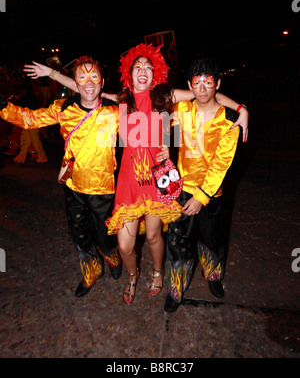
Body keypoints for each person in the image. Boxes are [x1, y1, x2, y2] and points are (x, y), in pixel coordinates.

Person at [24, 45, 249, 305]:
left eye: (148, 67)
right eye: (137, 67)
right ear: (128, 74)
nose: (143, 71)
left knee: (154, 236)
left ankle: (157, 271)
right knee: (125, 246)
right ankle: (133, 274)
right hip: (129, 182)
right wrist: (51, 73)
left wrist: (241, 109)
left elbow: (207, 94)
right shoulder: (121, 100)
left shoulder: (166, 95)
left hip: (156, 181)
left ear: (156, 73)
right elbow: (86, 88)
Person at [0, 56, 122, 298]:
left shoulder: (115, 112)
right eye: (82, 78)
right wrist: (3, 107)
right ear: (75, 83)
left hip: (103, 191)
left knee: (105, 237)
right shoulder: (65, 109)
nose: (88, 82)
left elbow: (148, 115)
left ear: (103, 82)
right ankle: (91, 270)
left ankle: (112, 256)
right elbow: (31, 119)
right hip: (73, 186)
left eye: (94, 77)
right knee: (79, 234)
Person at [164, 56, 241, 313]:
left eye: (208, 82)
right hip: (181, 190)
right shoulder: (183, 110)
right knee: (177, 243)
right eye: (197, 83)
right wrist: (164, 147)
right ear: (190, 85)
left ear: (217, 83)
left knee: (212, 240)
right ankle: (175, 289)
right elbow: (161, 120)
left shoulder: (230, 120)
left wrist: (201, 197)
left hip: (211, 193)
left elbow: (222, 164)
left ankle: (213, 276)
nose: (203, 89)